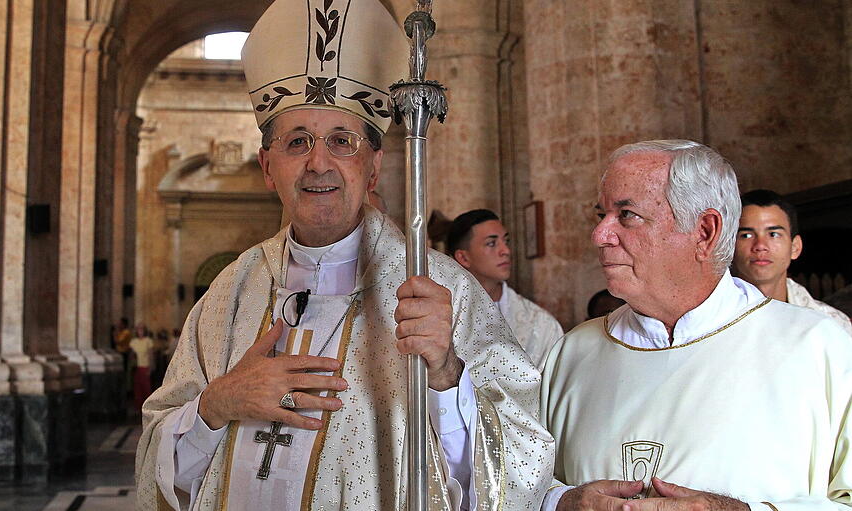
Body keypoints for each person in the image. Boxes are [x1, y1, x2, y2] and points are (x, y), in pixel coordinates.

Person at [135, 1, 553, 509]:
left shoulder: (440, 290)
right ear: (268, 167)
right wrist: (218, 404)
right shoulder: (232, 291)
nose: (318, 163)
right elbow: (157, 462)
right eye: (297, 142)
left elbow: (519, 470)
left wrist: (445, 372)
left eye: (341, 140)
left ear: (373, 169)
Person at [540, 140, 852, 511]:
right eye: (601, 215)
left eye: (627, 215)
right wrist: (562, 501)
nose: (600, 235)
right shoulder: (572, 352)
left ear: (704, 232)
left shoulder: (818, 346)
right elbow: (516, 486)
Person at [447, 209, 564, 369]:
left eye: (506, 241)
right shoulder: (445, 314)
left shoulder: (540, 324)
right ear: (463, 257)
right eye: (491, 243)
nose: (506, 251)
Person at [732, 189, 852, 335]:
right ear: (730, 246)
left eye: (773, 234)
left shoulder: (833, 325)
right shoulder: (708, 322)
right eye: (746, 235)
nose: (760, 245)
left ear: (795, 247)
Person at [129, 324, 155, 412]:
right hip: (137, 367)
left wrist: (151, 367)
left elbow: (151, 355)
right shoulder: (134, 342)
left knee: (146, 388)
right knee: (137, 389)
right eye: (138, 330)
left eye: (141, 329)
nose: (140, 331)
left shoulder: (148, 341)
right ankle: (138, 408)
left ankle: (148, 408)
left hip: (145, 366)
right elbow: (131, 355)